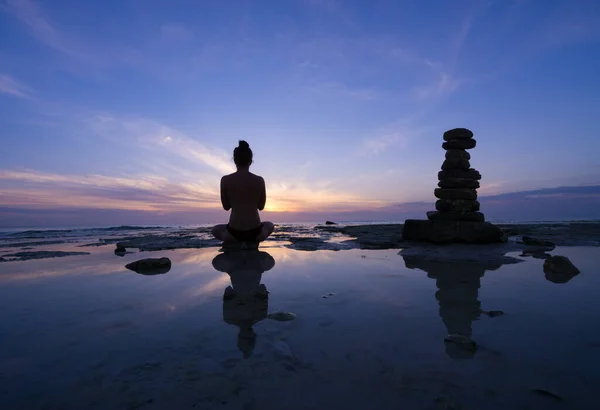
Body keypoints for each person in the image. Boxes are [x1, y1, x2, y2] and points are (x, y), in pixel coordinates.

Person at [211, 140, 275, 244]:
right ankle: (255, 239)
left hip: (234, 232)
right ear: (250, 161)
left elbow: (226, 207)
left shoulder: (225, 180)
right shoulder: (259, 180)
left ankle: (231, 239)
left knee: (215, 229)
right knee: (270, 225)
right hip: (255, 232)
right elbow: (261, 206)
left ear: (235, 161)